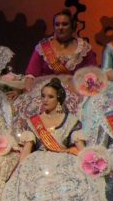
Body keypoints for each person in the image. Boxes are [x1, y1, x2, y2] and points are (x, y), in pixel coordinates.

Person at [0, 78, 113, 201]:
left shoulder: (71, 121)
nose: (45, 100)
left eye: (50, 96)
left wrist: (89, 160)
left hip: (64, 158)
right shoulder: (34, 122)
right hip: (38, 160)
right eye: (43, 96)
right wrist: (19, 171)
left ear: (59, 99)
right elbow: (27, 148)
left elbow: (81, 147)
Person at [13, 10, 93, 140]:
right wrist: (26, 92)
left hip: (75, 89)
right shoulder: (43, 47)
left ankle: (74, 139)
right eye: (57, 24)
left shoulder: (83, 47)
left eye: (65, 24)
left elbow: (93, 74)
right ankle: (36, 140)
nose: (60, 27)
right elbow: (31, 74)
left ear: (73, 26)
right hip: (46, 89)